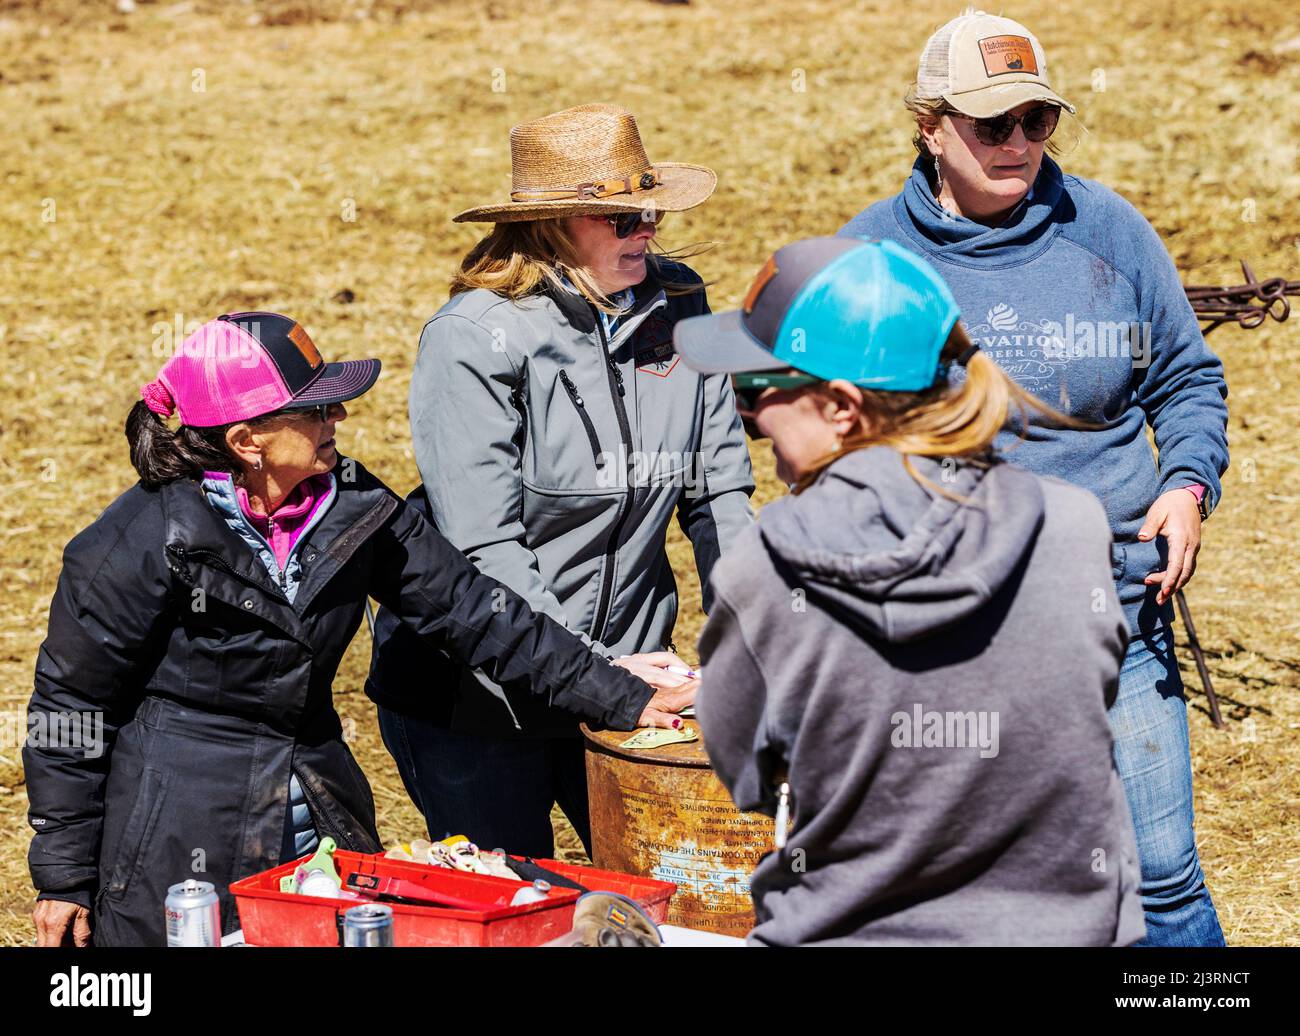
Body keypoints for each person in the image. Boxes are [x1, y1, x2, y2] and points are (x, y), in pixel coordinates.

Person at [24, 312, 689, 948]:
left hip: (321, 807)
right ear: (246, 438)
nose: (337, 416)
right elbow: (69, 706)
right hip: (176, 832)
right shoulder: (139, 540)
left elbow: (476, 612)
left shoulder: (354, 504)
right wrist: (64, 874)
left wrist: (618, 694)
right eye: (314, 408)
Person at [837, 10, 1229, 946]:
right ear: (930, 125)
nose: (1017, 144)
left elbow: (1185, 379)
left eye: (1036, 121)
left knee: (1163, 880)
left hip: (1117, 617)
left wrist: (1186, 485)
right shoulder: (873, 262)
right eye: (990, 123)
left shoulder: (1109, 232)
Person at [673, 235, 1147, 946]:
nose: (750, 423)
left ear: (841, 406)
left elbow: (742, 773)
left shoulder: (766, 563)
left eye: (752, 392)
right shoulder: (1075, 525)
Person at [367, 103, 754, 858]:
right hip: (476, 700)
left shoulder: (680, 302)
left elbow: (719, 496)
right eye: (622, 217)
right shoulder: (474, 338)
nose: (646, 229)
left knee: (659, 898)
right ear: (550, 223)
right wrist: (599, 674)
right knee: (519, 908)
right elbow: (484, 543)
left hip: (633, 682)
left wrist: (750, 646)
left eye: (651, 211)